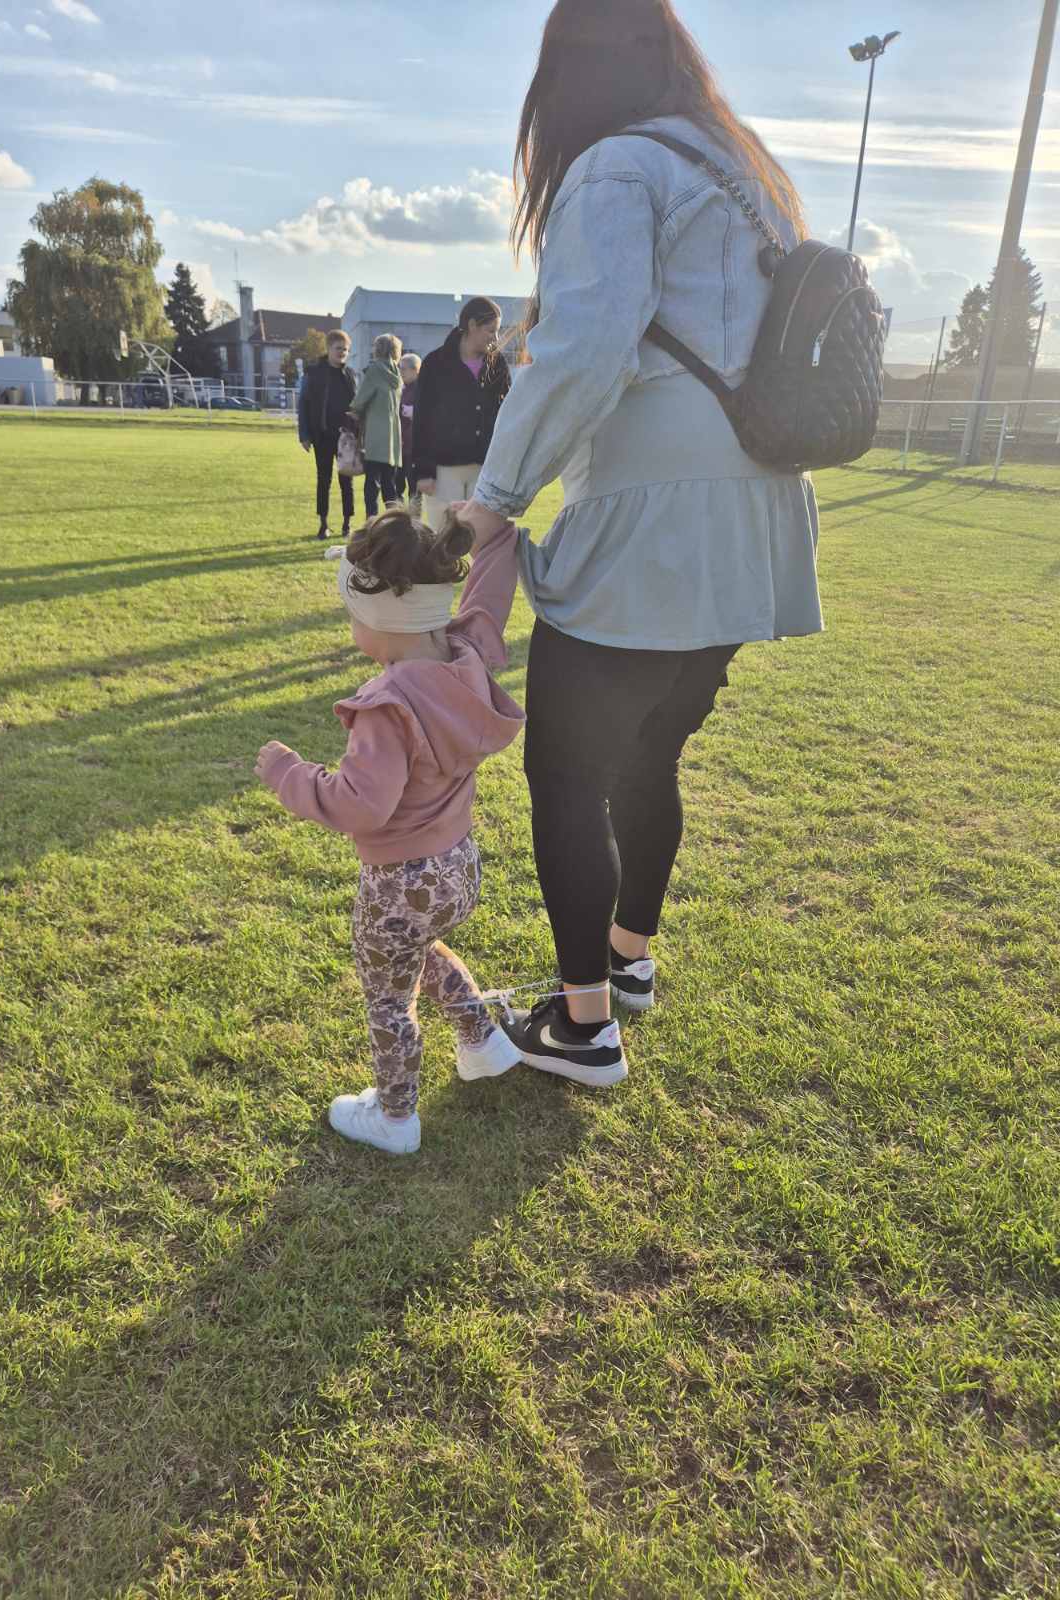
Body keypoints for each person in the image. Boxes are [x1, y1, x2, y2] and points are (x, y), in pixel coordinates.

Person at [455, 0, 823, 1089]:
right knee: (648, 757)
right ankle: (626, 961)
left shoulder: (617, 167)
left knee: (568, 768)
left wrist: (495, 498)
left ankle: (583, 1028)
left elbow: (585, 347)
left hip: (653, 517)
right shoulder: (749, 172)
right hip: (758, 519)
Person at [253, 508, 526, 1155]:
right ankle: (482, 1040)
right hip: (457, 867)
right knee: (419, 950)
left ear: (381, 618)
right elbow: (487, 601)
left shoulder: (389, 705)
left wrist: (291, 775)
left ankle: (395, 1118)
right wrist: (496, 534)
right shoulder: (467, 655)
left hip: (399, 883)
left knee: (387, 998)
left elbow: (360, 805)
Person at [414, 297, 512, 531]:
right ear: (472, 325)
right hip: (443, 472)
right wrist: (423, 471)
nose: (496, 338)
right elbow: (422, 419)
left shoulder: (498, 364)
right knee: (444, 538)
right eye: (491, 330)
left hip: (485, 470)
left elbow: (507, 415)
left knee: (482, 539)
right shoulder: (434, 363)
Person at [298, 330, 358, 542]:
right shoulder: (313, 373)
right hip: (321, 435)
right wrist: (304, 435)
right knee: (323, 480)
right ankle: (323, 525)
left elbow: (357, 405)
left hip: (345, 438)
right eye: (338, 348)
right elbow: (303, 404)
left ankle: (347, 524)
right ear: (328, 348)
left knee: (346, 481)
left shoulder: (350, 375)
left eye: (345, 349)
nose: (342, 352)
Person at [350, 333, 404, 520]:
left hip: (375, 434)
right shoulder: (397, 374)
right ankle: (393, 521)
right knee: (390, 484)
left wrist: (354, 410)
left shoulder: (374, 371)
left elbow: (360, 401)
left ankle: (371, 521)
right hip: (393, 437)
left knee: (372, 483)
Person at [395, 352, 422, 502]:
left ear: (415, 370)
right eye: (400, 368)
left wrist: (416, 412)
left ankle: (414, 516)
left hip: (414, 448)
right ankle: (397, 515)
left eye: (404, 369)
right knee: (397, 487)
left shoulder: (423, 390)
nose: (401, 372)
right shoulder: (401, 389)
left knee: (414, 488)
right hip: (400, 447)